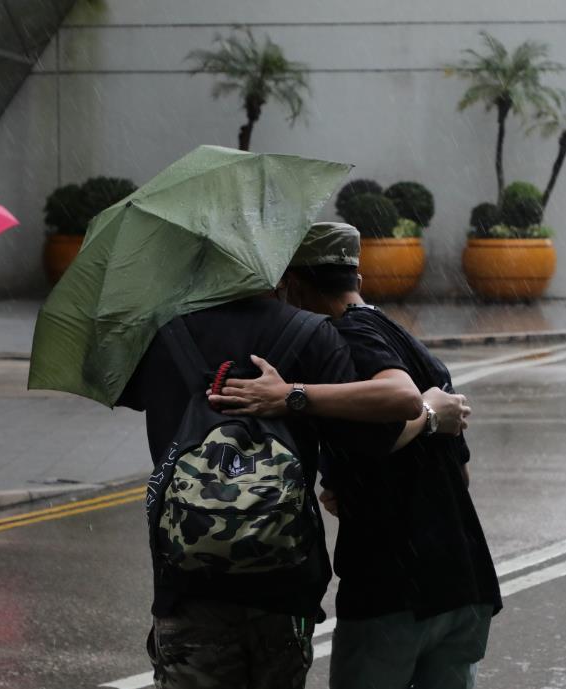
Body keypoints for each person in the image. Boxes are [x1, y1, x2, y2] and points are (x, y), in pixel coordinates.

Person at [116, 266, 466, 689]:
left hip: (188, 585)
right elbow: (377, 436)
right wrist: (428, 414)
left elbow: (116, 382)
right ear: (278, 271)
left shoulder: (162, 335)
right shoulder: (311, 333)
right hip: (282, 582)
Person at [212, 223, 502, 689]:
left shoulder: (343, 337)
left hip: (392, 586)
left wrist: (291, 395)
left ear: (294, 286)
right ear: (358, 279)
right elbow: (457, 473)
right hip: (463, 580)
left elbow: (399, 404)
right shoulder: (407, 341)